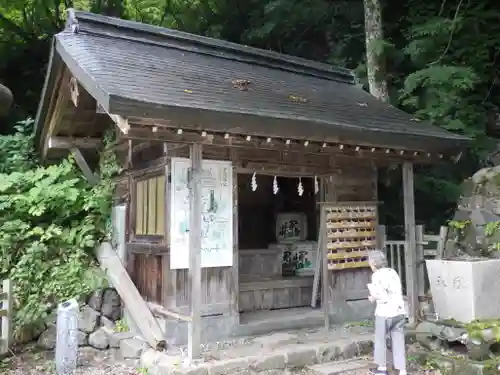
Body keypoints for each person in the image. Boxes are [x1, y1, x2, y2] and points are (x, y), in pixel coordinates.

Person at [367, 250, 407, 375]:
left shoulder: (376, 275)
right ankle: (402, 370)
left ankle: (382, 368)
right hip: (399, 312)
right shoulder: (393, 272)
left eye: (369, 262)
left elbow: (380, 296)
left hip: (384, 312)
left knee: (380, 340)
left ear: (374, 262)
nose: (369, 264)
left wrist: (372, 297)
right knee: (398, 340)